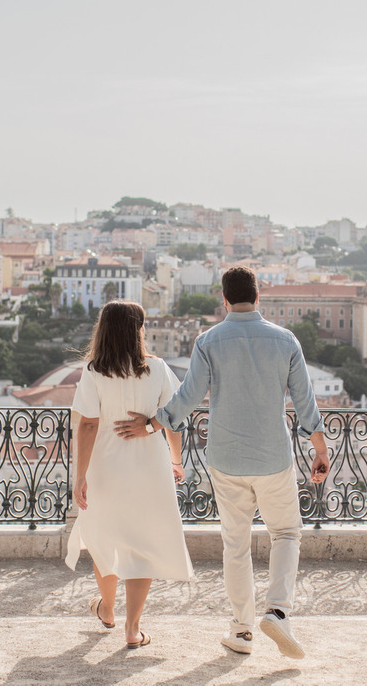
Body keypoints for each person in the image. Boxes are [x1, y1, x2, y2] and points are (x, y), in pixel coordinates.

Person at [116, 266, 329, 659]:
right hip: (273, 457)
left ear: (224, 300)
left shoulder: (208, 340)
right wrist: (319, 447)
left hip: (226, 458)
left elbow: (189, 394)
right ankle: (278, 611)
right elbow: (304, 401)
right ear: (258, 297)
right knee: (285, 534)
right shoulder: (286, 341)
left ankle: (242, 631)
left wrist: (151, 425)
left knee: (235, 545)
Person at [65, 299, 194, 649]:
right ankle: (132, 628)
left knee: (103, 539)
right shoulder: (158, 368)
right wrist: (176, 458)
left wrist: (80, 476)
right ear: (138, 330)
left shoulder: (93, 371)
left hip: (106, 468)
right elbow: (174, 416)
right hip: (149, 468)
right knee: (143, 545)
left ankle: (107, 609)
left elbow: (88, 425)